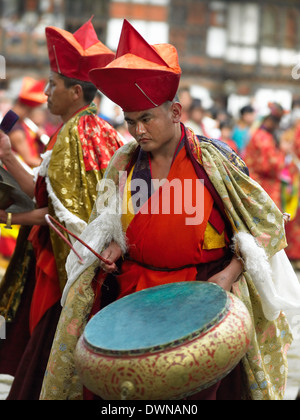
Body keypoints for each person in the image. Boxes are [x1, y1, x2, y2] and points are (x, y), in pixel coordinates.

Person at [40, 20, 300, 401]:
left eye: (147, 119)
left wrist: (230, 274)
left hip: (203, 301)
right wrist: (114, 247)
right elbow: (113, 225)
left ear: (175, 111)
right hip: (132, 300)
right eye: (130, 122)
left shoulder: (214, 162)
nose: (138, 132)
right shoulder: (124, 164)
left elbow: (265, 227)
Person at [0, 19, 123, 400]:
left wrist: (13, 213)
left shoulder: (74, 133)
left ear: (75, 92)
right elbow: (46, 193)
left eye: (53, 85)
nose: (47, 92)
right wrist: (8, 156)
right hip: (80, 255)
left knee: (49, 338)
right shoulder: (97, 128)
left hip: (65, 261)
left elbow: (55, 210)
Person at [244, 103, 292, 210]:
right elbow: (270, 166)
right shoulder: (264, 139)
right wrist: (283, 152)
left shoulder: (257, 134)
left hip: (254, 183)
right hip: (263, 187)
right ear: (270, 121)